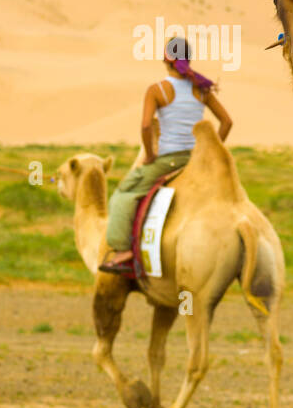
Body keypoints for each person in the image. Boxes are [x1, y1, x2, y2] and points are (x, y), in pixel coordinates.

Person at [100, 39, 233, 274]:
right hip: (194, 161)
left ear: (166, 59)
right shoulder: (200, 89)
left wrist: (150, 155)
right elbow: (226, 122)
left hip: (168, 160)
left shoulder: (157, 90)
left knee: (124, 193)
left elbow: (145, 127)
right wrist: (208, 152)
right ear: (187, 59)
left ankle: (122, 252)